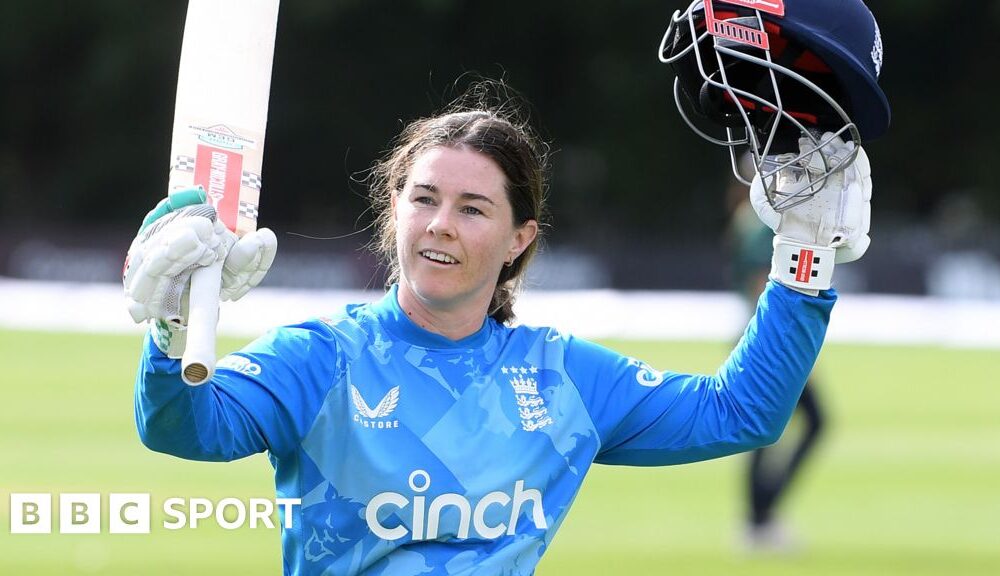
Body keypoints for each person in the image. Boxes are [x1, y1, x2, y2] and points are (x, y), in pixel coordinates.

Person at [123, 1, 886, 574]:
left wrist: (805, 263)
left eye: (473, 208)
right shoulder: (320, 358)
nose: (440, 225)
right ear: (393, 212)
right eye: (422, 199)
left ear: (522, 238)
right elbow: (184, 429)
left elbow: (742, 414)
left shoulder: (566, 379)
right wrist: (168, 333)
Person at [726, 178, 825, 551]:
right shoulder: (758, 225)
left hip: (762, 338)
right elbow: (759, 288)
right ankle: (759, 520)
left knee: (767, 429)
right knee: (796, 424)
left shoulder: (749, 220)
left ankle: (759, 519)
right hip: (770, 341)